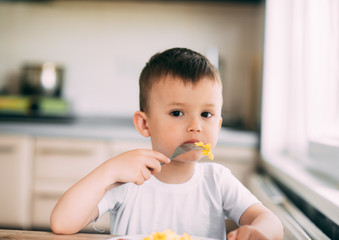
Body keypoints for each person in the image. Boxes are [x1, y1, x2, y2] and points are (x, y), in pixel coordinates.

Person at [50, 48, 284, 240]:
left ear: (219, 125)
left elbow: (271, 222)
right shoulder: (129, 181)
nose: (195, 126)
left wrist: (259, 231)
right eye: (177, 112)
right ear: (145, 124)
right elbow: (62, 223)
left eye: (206, 114)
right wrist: (108, 171)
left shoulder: (218, 181)